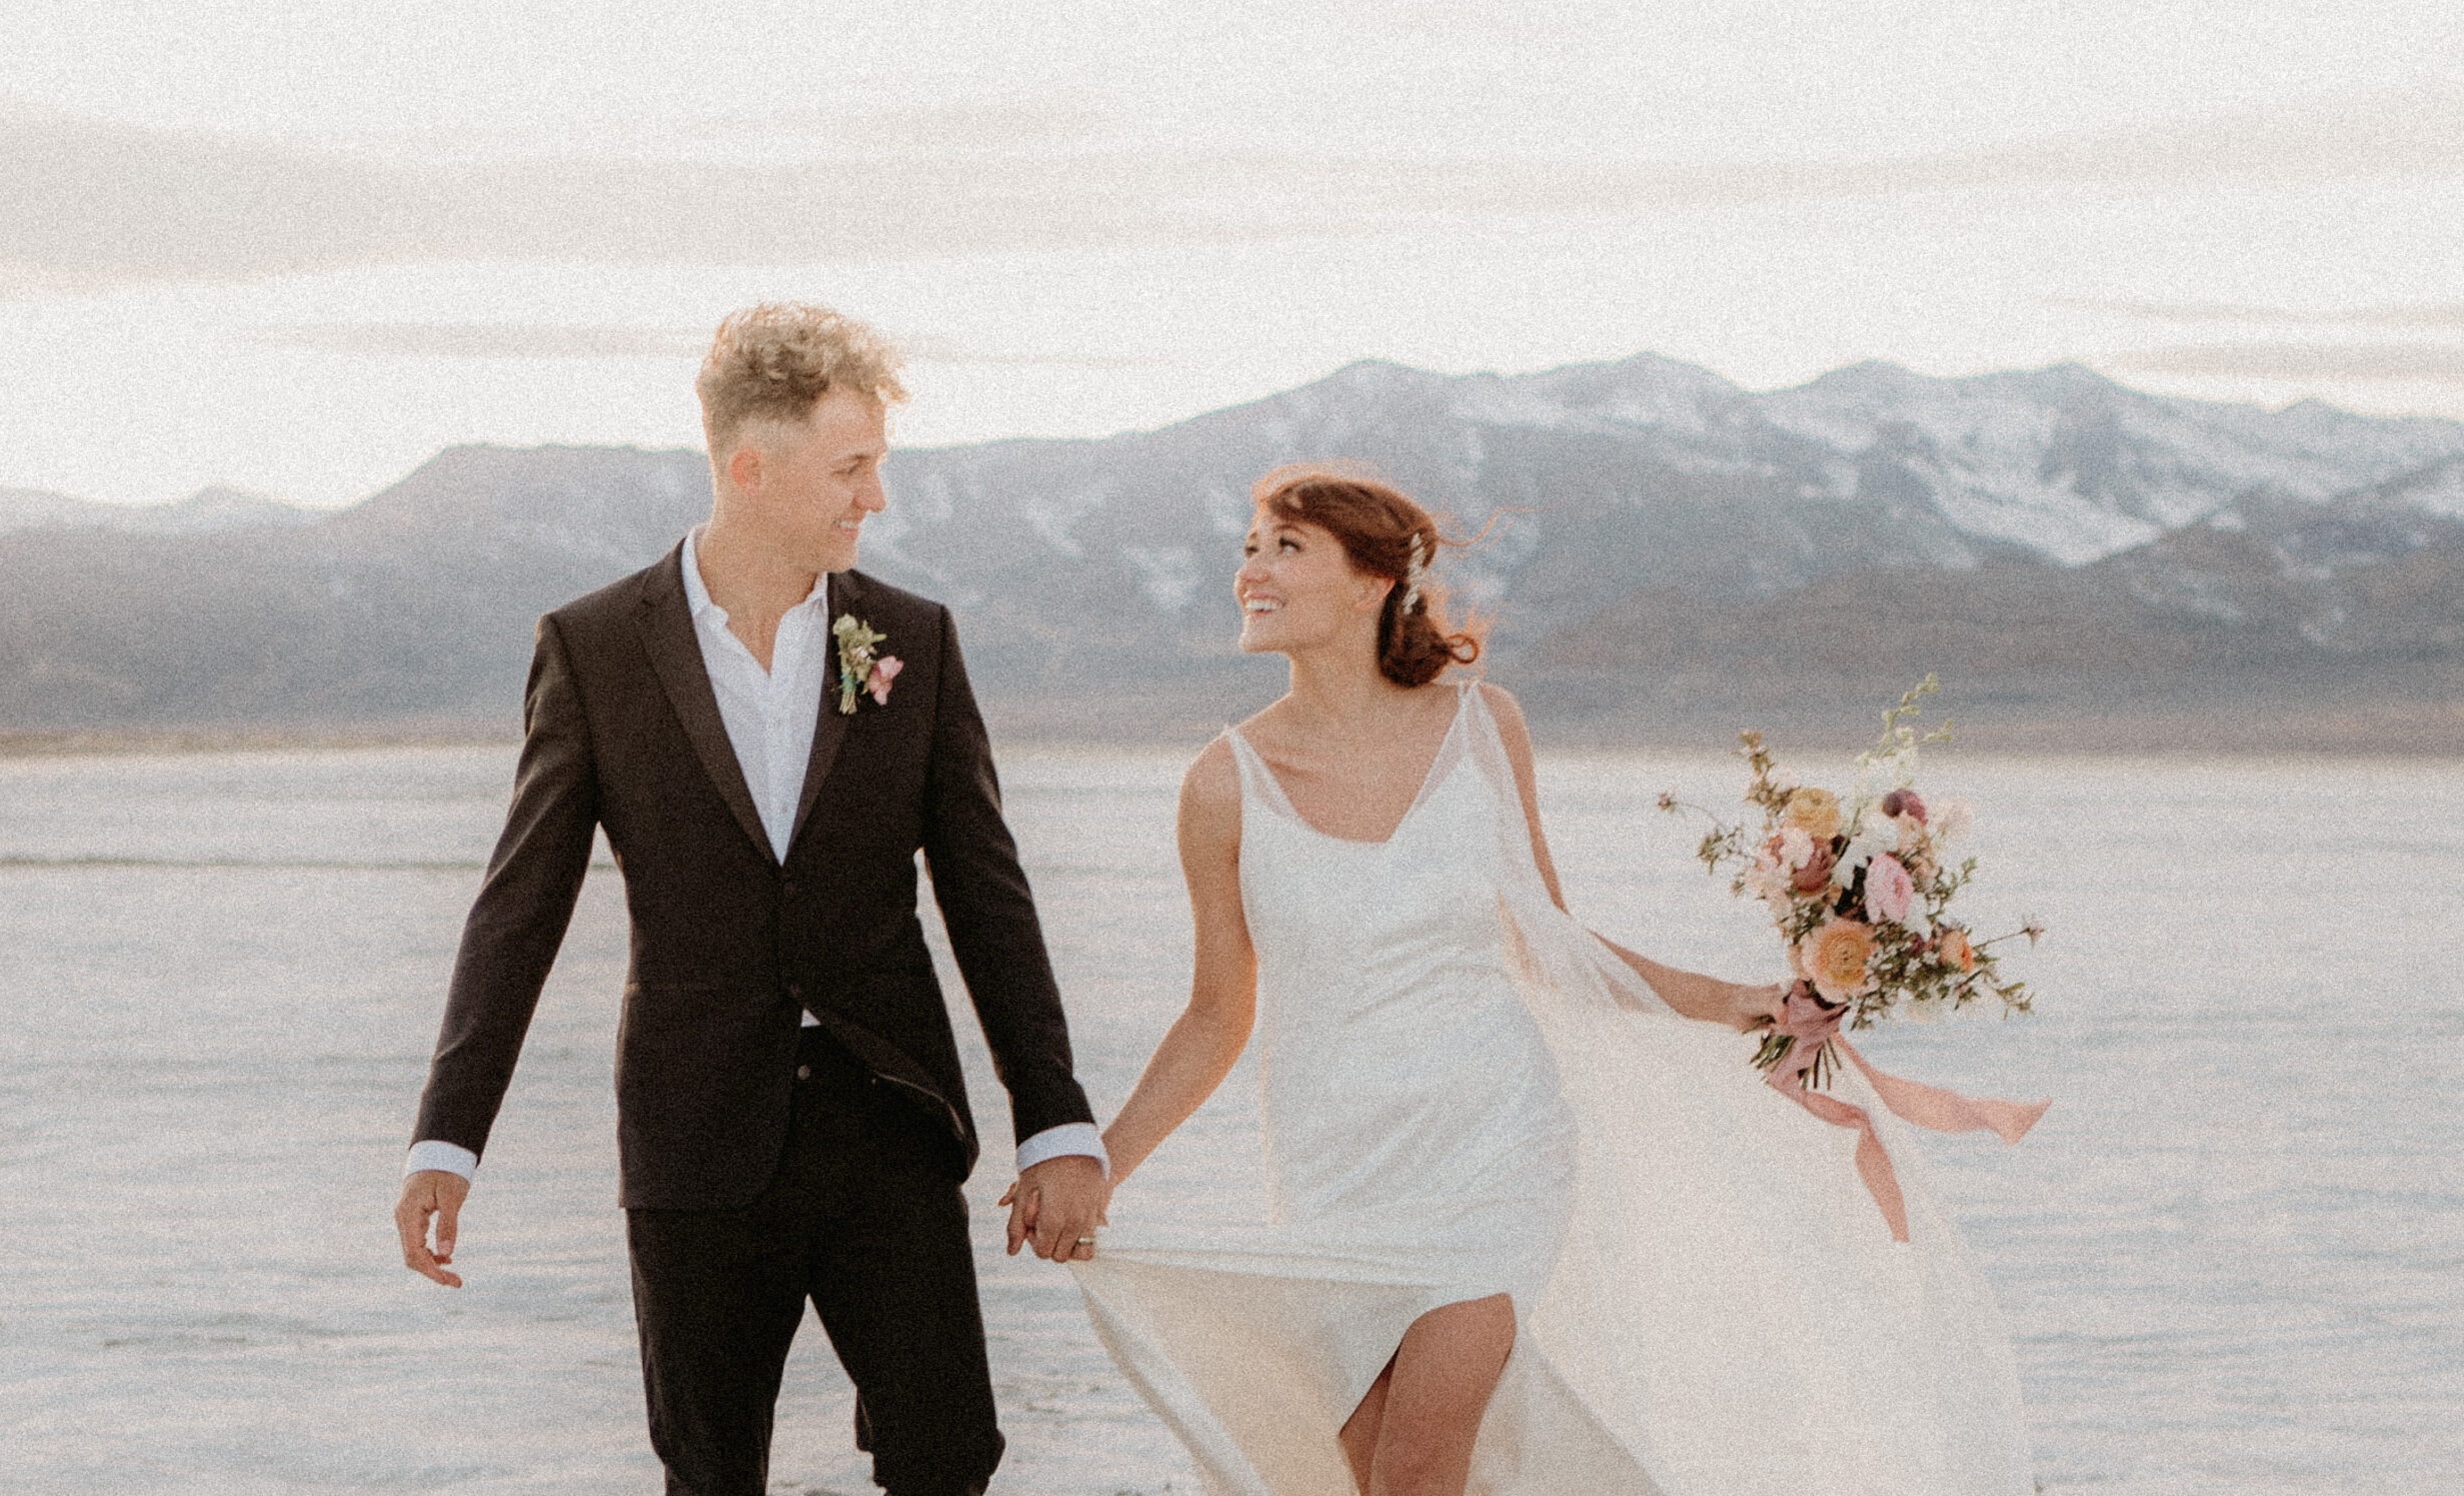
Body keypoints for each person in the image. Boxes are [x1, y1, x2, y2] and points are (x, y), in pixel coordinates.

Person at [1072, 468, 2036, 1496]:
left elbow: (1547, 939)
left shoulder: (1483, 728)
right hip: (1330, 1166)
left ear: (1370, 583)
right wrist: (1101, 1164)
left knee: (1413, 1469)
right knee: (1358, 1476)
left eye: (1283, 547)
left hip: (1491, 1143)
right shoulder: (1222, 782)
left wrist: (1737, 998)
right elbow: (1218, 1011)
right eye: (1250, 545)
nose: (1248, 570)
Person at [392, 305, 1111, 1496]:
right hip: (694, 1133)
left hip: (889, 1114)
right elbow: (520, 907)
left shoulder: (912, 641)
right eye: (851, 467)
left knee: (948, 1456)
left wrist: (1058, 1123)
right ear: (749, 468)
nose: (873, 498)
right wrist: (446, 1136)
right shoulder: (595, 647)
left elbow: (989, 895)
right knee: (712, 1473)